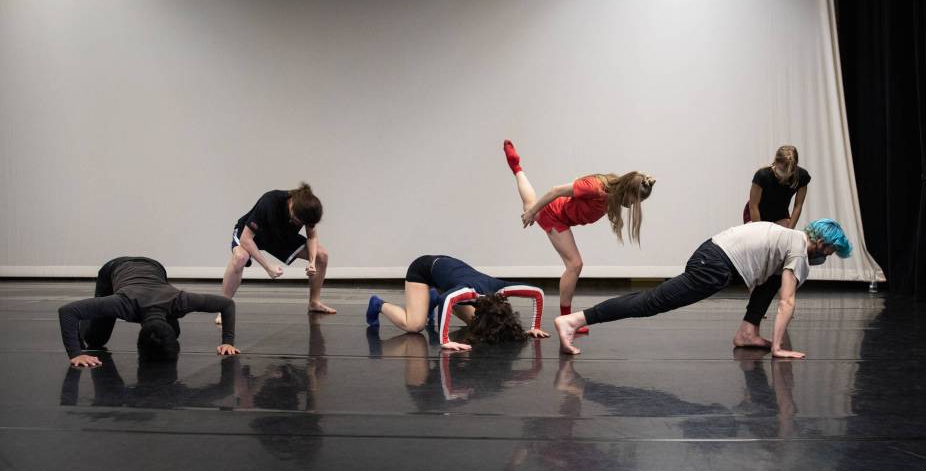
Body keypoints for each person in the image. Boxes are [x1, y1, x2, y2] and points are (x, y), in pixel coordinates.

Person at [553, 219, 852, 357]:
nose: (824, 258)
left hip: (714, 255)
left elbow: (769, 281)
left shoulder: (789, 239)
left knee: (773, 277)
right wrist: (777, 348)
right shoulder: (799, 250)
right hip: (715, 265)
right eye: (828, 253)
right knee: (651, 302)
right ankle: (574, 320)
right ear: (822, 244)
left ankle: (747, 332)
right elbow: (787, 302)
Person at [502, 139, 655, 335]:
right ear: (628, 191)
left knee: (530, 204)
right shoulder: (594, 186)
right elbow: (555, 190)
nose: (634, 206)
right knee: (574, 264)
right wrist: (533, 213)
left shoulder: (614, 194)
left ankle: (516, 167)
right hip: (555, 215)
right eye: (635, 201)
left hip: (563, 219)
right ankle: (566, 320)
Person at [58, 257, 239, 367]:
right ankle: (86, 328)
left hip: (154, 268)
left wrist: (228, 342)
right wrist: (76, 353)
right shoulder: (124, 304)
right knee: (96, 339)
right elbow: (67, 311)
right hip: (113, 268)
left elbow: (227, 305)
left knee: (173, 333)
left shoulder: (180, 301)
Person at [366, 255, 549, 350]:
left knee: (473, 323)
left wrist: (535, 326)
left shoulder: (500, 288)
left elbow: (537, 293)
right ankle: (378, 304)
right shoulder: (467, 292)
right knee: (415, 325)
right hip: (422, 270)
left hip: (448, 271)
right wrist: (444, 340)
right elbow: (447, 300)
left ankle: (430, 297)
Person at [218, 182, 336, 323]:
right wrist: (268, 267)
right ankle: (223, 309)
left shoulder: (308, 208)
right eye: (298, 221)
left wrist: (312, 263)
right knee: (239, 258)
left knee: (321, 255)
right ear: (292, 206)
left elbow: (312, 237)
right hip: (252, 235)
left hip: (279, 236)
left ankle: (314, 302)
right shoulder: (270, 201)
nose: (300, 225)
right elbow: (246, 239)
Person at [744, 145, 810, 227]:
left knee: (784, 236)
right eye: (783, 170)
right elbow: (753, 206)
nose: (786, 175)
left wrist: (789, 231)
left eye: (790, 171)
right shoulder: (762, 175)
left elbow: (798, 206)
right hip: (755, 212)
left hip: (780, 214)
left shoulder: (802, 176)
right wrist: (759, 231)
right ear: (776, 161)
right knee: (760, 237)